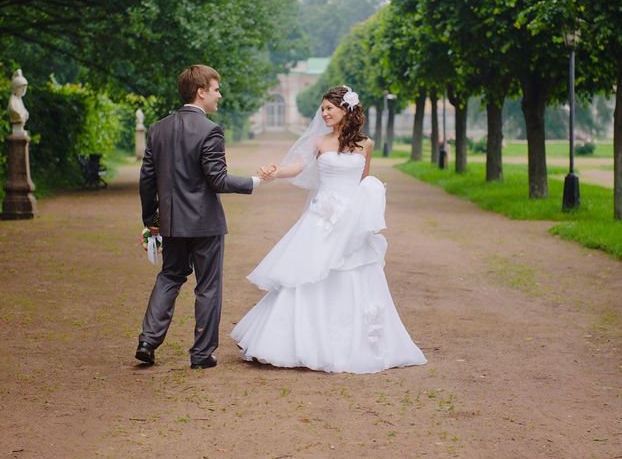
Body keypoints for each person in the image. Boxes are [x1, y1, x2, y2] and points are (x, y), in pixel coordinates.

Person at [231, 86, 427, 373]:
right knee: (307, 275)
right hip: (321, 219)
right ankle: (295, 342)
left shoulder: (365, 145)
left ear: (346, 110)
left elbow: (364, 180)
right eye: (322, 109)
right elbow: (297, 167)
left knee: (353, 276)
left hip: (351, 222)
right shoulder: (319, 142)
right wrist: (273, 173)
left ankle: (353, 343)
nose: (324, 113)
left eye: (329, 108)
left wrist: (368, 208)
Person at [136, 64, 262, 369]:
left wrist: (151, 218)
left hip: (172, 221)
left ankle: (147, 341)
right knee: (207, 286)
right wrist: (254, 182)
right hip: (205, 223)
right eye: (216, 89)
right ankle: (202, 354)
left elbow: (147, 179)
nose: (220, 94)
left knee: (169, 276)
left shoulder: (157, 129)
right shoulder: (210, 130)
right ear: (201, 91)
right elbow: (217, 180)